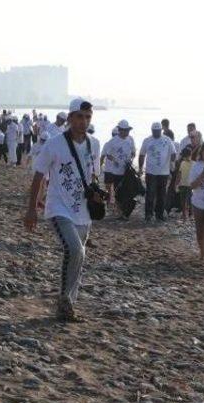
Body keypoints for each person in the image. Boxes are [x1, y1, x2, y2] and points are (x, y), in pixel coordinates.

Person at [24, 98, 102, 322]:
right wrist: (31, 210)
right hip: (58, 207)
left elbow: (94, 174)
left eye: (88, 117)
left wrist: (98, 192)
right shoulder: (54, 144)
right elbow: (39, 175)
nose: (83, 121)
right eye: (79, 116)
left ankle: (67, 302)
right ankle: (65, 301)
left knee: (80, 256)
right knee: (75, 250)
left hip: (83, 210)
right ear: (69, 118)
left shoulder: (94, 144)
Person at [138, 122, 176, 222]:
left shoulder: (167, 140)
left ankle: (159, 215)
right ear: (152, 131)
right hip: (151, 172)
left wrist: (172, 162)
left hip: (164, 173)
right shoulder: (147, 140)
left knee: (162, 195)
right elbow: (142, 154)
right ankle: (148, 214)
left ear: (161, 130)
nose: (156, 133)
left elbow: (173, 153)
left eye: (158, 131)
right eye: (154, 131)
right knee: (150, 193)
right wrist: (140, 168)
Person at [101, 120, 135, 217]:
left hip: (127, 171)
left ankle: (123, 211)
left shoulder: (130, 139)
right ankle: (119, 210)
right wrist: (115, 161)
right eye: (125, 130)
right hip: (115, 172)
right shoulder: (113, 141)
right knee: (117, 191)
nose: (127, 132)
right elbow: (108, 154)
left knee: (127, 190)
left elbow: (133, 152)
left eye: (128, 130)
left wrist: (131, 158)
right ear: (120, 130)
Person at [175, 147, 194, 220]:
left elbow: (179, 174)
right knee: (187, 200)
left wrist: (176, 184)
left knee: (186, 200)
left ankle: (187, 214)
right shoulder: (192, 163)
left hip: (187, 185)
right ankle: (187, 215)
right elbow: (179, 174)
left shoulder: (184, 163)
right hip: (186, 184)